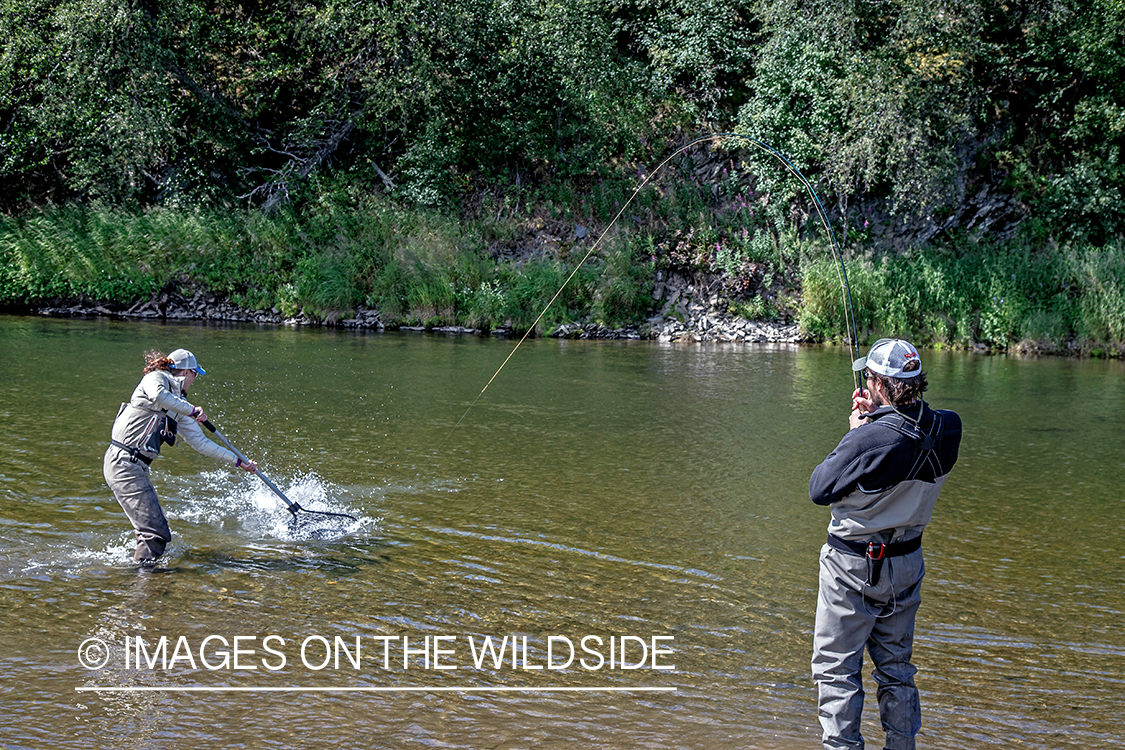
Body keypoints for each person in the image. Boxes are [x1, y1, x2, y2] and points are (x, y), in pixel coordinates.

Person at [808, 338, 962, 750]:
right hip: (907, 564)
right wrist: (879, 421)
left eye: (871, 377)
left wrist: (857, 432)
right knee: (896, 669)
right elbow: (906, 438)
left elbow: (819, 488)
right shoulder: (949, 427)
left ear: (878, 384)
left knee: (838, 671)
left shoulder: (868, 440)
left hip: (852, 566)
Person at [103, 348, 257, 562]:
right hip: (123, 462)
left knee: (155, 531)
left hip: (135, 467)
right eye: (195, 375)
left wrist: (238, 461)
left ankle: (144, 572)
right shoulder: (155, 378)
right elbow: (158, 395)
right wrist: (192, 410)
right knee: (155, 533)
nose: (195, 380)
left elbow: (201, 443)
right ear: (186, 372)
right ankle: (145, 582)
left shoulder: (179, 407)